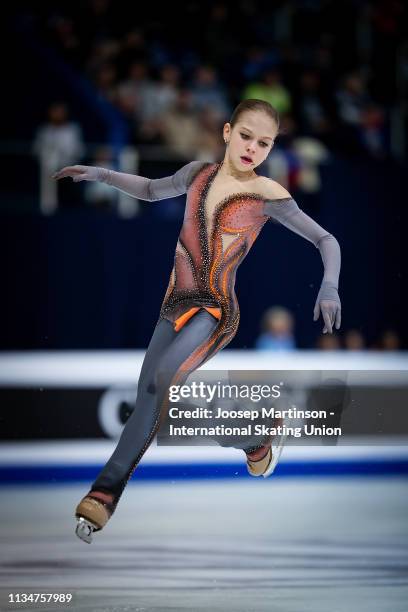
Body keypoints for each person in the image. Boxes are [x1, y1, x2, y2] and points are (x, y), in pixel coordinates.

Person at [53, 99, 341, 543]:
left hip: (215, 310)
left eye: (264, 143)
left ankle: (105, 491)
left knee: (165, 380)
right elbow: (150, 189)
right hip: (174, 304)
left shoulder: (268, 194)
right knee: (149, 392)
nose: (252, 148)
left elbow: (326, 239)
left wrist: (329, 286)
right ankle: (252, 439)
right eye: (246, 135)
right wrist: (102, 174)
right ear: (227, 132)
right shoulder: (196, 174)